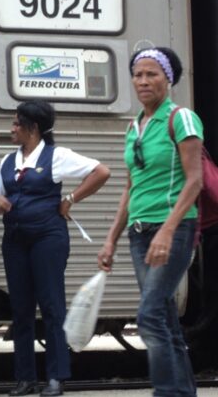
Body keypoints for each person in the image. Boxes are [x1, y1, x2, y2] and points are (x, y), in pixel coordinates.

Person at [0, 100, 110, 397]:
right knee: (21, 310)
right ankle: (25, 378)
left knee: (52, 306)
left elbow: (101, 172)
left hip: (47, 238)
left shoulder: (56, 156)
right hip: (15, 240)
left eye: (17, 123)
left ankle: (56, 376)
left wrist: (70, 198)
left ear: (34, 128)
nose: (12, 128)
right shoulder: (8, 160)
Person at [97, 46, 203, 397]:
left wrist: (168, 231)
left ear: (167, 80)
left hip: (173, 228)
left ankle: (166, 392)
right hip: (140, 233)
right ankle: (183, 392)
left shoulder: (181, 118)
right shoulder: (134, 127)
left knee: (150, 316)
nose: (142, 81)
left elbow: (195, 181)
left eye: (151, 74)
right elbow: (131, 187)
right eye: (138, 74)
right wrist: (111, 238)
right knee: (165, 319)